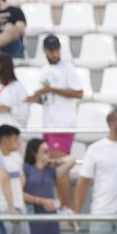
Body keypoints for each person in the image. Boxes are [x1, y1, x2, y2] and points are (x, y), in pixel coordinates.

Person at [29, 36, 83, 209]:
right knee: (52, 166)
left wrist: (52, 89)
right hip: (48, 122)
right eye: (51, 50)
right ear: (45, 51)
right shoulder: (44, 70)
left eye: (57, 49)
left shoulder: (68, 68)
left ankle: (66, 208)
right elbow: (48, 98)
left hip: (63, 123)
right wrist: (36, 98)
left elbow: (79, 93)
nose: (54, 53)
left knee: (61, 165)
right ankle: (62, 206)